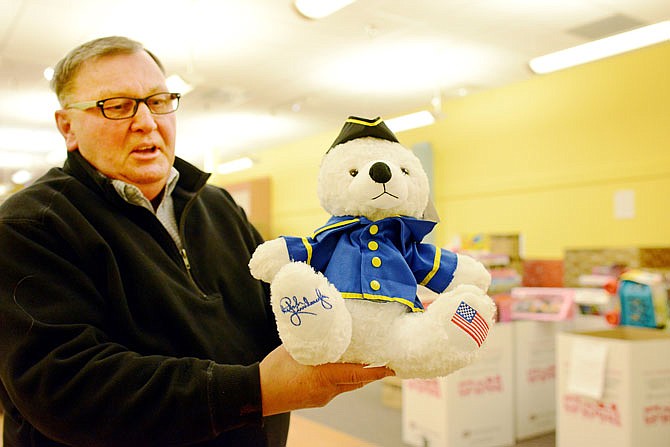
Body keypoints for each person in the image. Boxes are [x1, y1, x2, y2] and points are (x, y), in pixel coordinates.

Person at [0, 36, 393, 446]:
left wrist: (369, 308)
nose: (147, 122)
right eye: (117, 106)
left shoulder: (217, 204)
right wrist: (255, 391)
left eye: (158, 100)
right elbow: (67, 388)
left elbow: (279, 307)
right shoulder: (31, 225)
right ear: (68, 127)